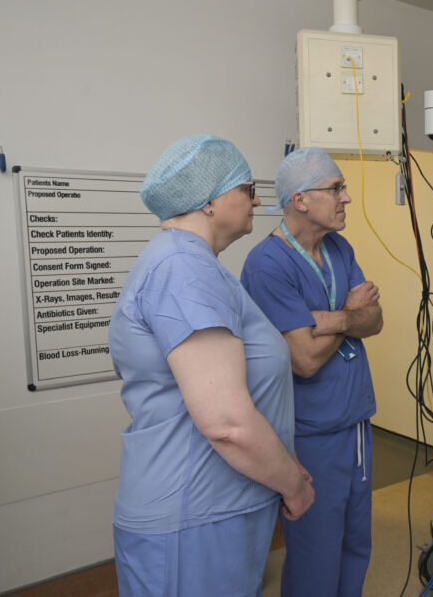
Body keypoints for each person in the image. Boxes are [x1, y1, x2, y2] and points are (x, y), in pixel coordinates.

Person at [109, 135, 315, 596]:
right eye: (246, 188)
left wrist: (281, 465)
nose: (258, 199)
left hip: (213, 507)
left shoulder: (194, 265)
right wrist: (294, 487)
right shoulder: (183, 268)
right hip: (193, 515)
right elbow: (227, 423)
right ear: (209, 201)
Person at [241, 146, 383, 597]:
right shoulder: (267, 264)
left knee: (356, 541)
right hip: (311, 432)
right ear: (300, 199)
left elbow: (375, 320)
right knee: (316, 553)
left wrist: (322, 318)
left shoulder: (340, 247)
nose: (346, 198)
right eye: (336, 188)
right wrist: (346, 313)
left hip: (356, 423)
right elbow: (302, 359)